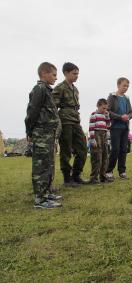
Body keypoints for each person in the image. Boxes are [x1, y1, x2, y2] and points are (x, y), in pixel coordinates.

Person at [25, 62, 62, 208]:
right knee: (41, 166)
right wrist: (29, 131)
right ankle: (40, 199)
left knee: (48, 164)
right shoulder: (39, 89)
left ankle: (46, 193)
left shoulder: (47, 90)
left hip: (48, 134)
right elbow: (32, 112)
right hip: (41, 134)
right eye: (53, 74)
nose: (56, 78)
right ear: (44, 73)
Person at [52, 62, 88, 186]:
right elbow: (53, 107)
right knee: (66, 150)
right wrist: (56, 125)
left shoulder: (75, 89)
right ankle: (67, 179)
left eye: (77, 73)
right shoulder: (60, 87)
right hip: (65, 121)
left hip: (76, 121)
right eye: (74, 73)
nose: (77, 76)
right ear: (66, 73)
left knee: (83, 149)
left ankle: (76, 175)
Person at [105, 77, 132, 180]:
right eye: (124, 86)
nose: (126, 88)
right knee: (115, 149)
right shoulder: (112, 97)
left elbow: (131, 112)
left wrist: (128, 116)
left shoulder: (127, 98)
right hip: (115, 127)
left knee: (123, 150)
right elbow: (107, 111)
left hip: (125, 128)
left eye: (127, 86)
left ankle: (122, 171)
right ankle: (108, 171)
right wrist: (120, 117)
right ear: (118, 85)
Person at [88, 98, 111, 184]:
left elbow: (108, 125)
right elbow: (91, 127)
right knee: (97, 157)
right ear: (98, 106)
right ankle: (94, 178)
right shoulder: (94, 115)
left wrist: (107, 116)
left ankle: (103, 177)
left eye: (106, 108)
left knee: (105, 156)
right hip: (96, 135)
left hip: (104, 135)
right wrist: (92, 139)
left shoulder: (105, 115)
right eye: (103, 108)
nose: (105, 110)